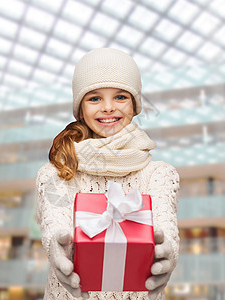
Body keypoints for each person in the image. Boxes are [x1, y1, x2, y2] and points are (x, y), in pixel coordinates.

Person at [36, 48, 180, 300]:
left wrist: (168, 252)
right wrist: (56, 248)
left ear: (135, 107)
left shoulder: (160, 174)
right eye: (94, 98)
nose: (108, 108)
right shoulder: (56, 173)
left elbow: (165, 226)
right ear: (80, 109)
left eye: (121, 97)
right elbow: (53, 224)